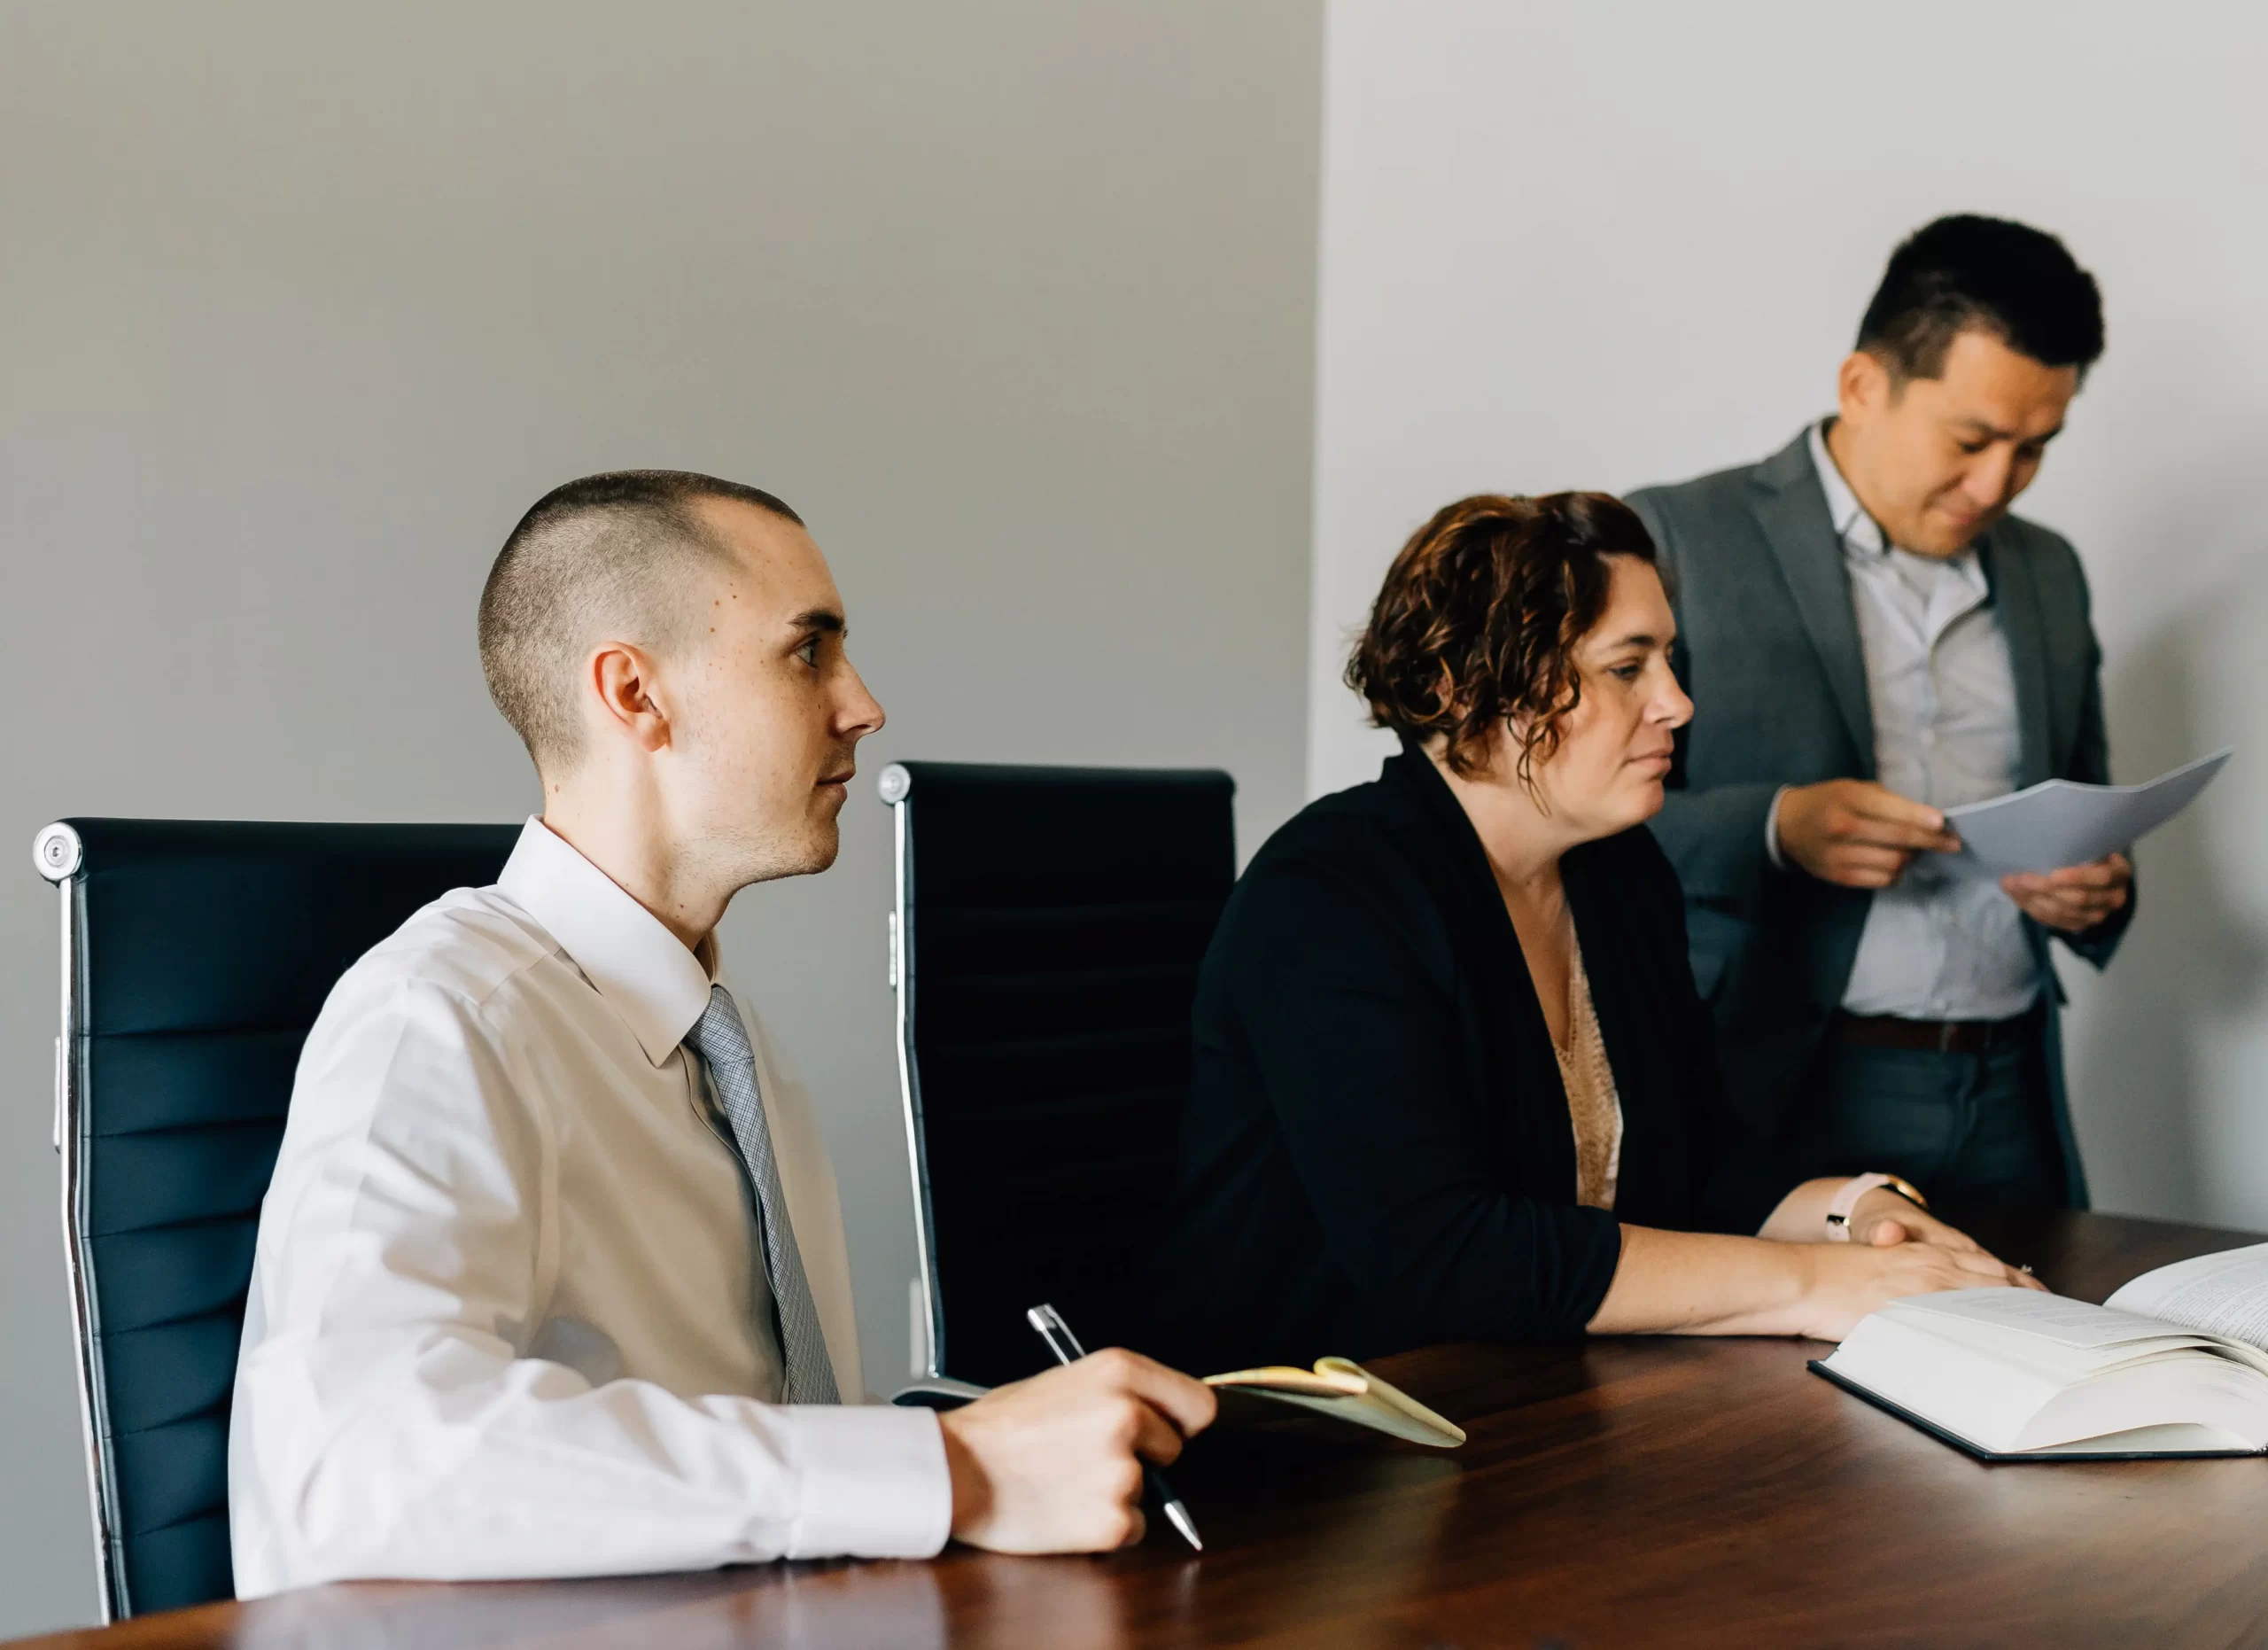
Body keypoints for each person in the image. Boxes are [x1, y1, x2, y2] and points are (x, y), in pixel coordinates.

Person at [229, 471, 1216, 1597]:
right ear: (635, 692)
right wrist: (944, 1468)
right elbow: (357, 1462)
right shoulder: (441, 1018)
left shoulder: (733, 1047)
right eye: (808, 652)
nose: (863, 704)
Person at [1147, 491, 2040, 1374]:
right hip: (1309, 1434)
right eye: (1628, 667)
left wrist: (1861, 1213)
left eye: (1669, 660)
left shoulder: (1618, 873)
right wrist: (1815, 1283)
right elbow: (1442, 1255)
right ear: (1474, 690)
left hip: (1538, 1393)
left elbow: (1698, 1172)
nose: (1678, 703)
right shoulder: (1330, 895)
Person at [1627, 214, 2131, 1208]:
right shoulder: (1672, 536)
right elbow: (1559, 819)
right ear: (1862, 386)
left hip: (2014, 1081)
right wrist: (1775, 827)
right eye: (1972, 439)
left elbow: (2089, 793)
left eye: (2035, 448)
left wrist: (2100, 886)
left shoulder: (2049, 571)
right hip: (1780, 1083)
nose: (1997, 483)